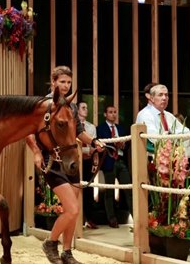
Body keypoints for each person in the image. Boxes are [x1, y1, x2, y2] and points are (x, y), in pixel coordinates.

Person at [26, 66, 105, 264]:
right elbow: (27, 132)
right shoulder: (42, 104)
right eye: (62, 82)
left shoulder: (72, 106)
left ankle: (67, 253)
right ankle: (50, 242)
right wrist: (36, 152)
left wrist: (94, 142)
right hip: (52, 162)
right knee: (73, 210)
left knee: (72, 211)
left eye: (69, 82)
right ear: (53, 82)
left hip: (71, 163)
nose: (66, 86)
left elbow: (78, 131)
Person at [96, 105, 133, 228]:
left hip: (121, 162)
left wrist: (123, 145)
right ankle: (112, 219)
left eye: (115, 112)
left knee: (129, 190)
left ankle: (136, 217)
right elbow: (101, 144)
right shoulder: (100, 128)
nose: (113, 114)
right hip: (108, 162)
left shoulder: (121, 128)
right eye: (110, 112)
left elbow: (127, 146)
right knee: (109, 192)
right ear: (105, 114)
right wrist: (113, 142)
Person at [136, 83, 190, 155]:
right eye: (160, 95)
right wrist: (174, 136)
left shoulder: (169, 115)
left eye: (166, 95)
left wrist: (170, 135)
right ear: (152, 98)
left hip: (173, 156)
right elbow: (154, 138)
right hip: (151, 158)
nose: (164, 98)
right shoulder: (144, 114)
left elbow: (186, 132)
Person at [76, 101, 98, 229]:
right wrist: (84, 151)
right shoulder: (73, 125)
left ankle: (90, 219)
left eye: (87, 108)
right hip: (76, 161)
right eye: (83, 108)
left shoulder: (91, 127)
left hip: (88, 161)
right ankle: (77, 219)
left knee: (89, 190)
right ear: (77, 110)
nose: (86, 110)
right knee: (76, 189)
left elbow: (93, 145)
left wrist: (94, 158)